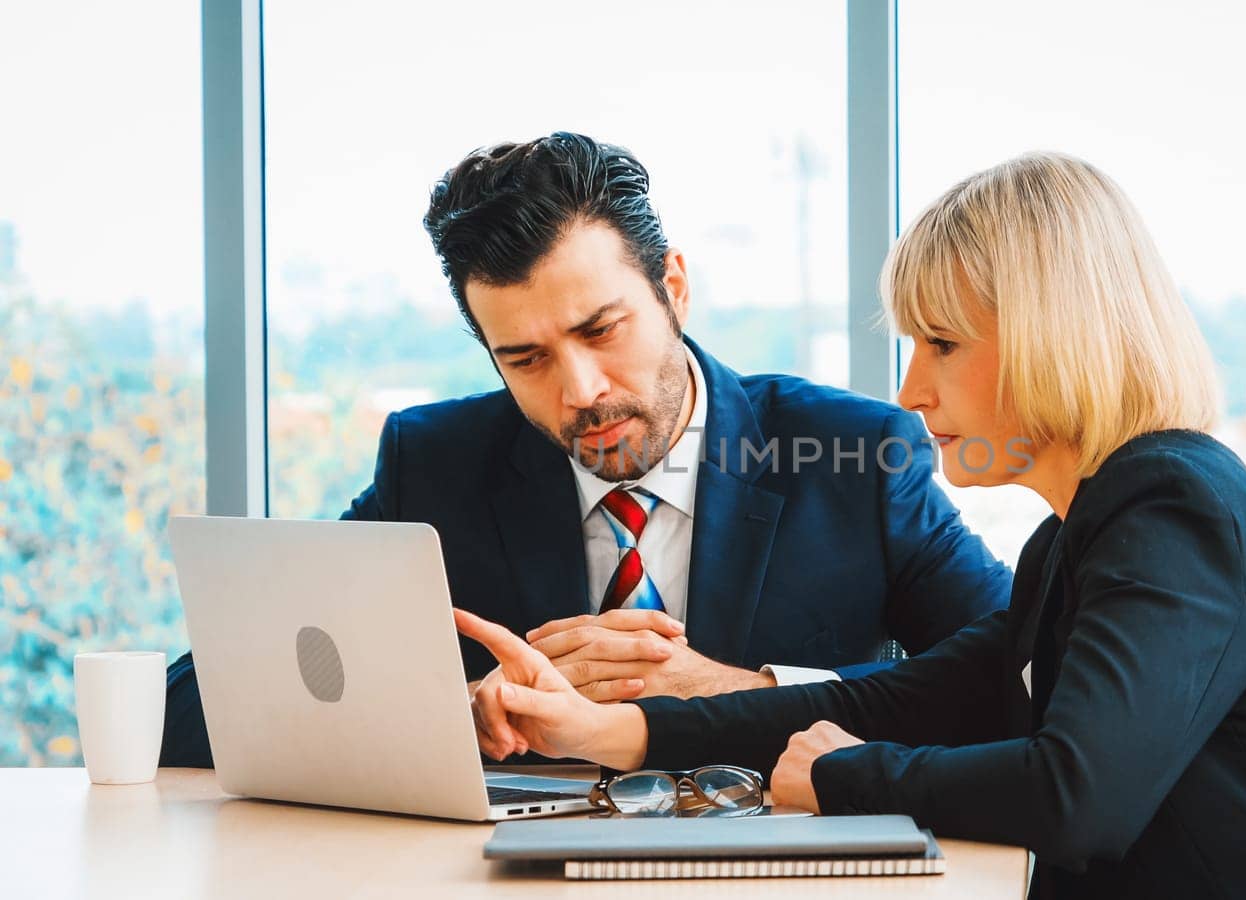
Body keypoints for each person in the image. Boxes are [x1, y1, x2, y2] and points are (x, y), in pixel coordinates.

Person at [453, 151, 1246, 898]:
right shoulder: (1079, 538)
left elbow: (1076, 797)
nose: (910, 389)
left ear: (1058, 333)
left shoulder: (1174, 508)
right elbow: (905, 698)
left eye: (941, 342)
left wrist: (845, 780)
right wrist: (611, 731)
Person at [158, 132, 1012, 767]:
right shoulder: (437, 463)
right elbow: (200, 705)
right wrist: (442, 709)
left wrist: (731, 692)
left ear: (673, 288)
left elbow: (1020, 689)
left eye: (602, 330)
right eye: (524, 359)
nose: (580, 391)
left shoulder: (856, 455)